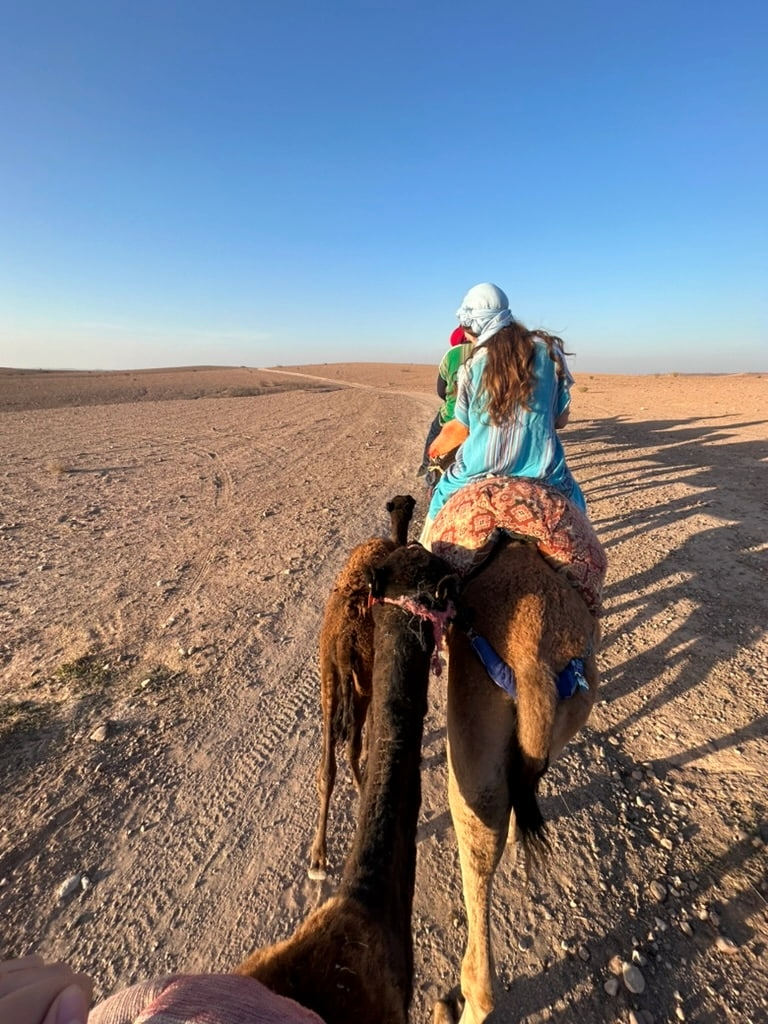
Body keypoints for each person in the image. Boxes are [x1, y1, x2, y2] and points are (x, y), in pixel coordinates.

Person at [420, 282, 586, 544]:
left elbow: (460, 429)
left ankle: (427, 556)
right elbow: (561, 420)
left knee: (438, 502)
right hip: (545, 473)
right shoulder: (550, 353)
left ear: (474, 327)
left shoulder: (472, 366)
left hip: (477, 473)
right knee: (578, 512)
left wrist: (434, 450)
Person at [417, 325, 473, 477]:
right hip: (485, 418)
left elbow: (441, 391)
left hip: (453, 415)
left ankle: (426, 467)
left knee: (434, 432)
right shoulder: (495, 351)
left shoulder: (452, 354)